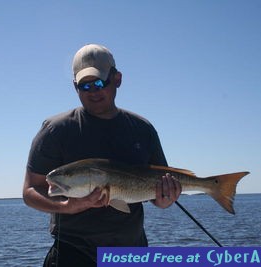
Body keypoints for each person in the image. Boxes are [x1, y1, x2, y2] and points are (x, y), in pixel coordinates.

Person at [23, 44, 182, 267]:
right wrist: (70, 206)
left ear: (117, 79)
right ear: (74, 87)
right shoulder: (55, 130)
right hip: (74, 252)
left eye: (99, 83)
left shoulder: (142, 129)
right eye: (84, 86)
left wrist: (166, 200)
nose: (93, 92)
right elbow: (30, 191)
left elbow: (159, 195)